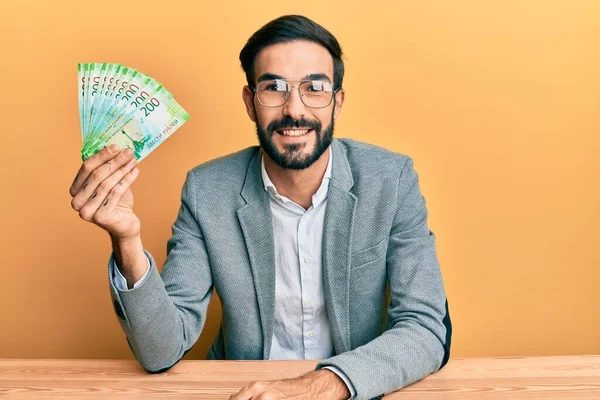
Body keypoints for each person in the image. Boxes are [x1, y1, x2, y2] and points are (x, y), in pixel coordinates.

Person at [69, 15, 452, 400]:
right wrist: (127, 239)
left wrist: (325, 385)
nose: (293, 109)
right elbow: (160, 351)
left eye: (314, 88)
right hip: (242, 393)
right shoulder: (208, 190)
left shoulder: (391, 179)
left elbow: (424, 326)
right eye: (274, 88)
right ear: (250, 102)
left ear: (337, 103)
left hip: (355, 390)